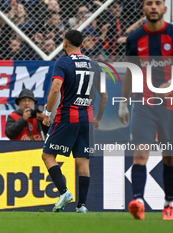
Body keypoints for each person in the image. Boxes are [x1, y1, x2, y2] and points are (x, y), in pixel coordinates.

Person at [118, 0, 173, 220]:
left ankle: (169, 204)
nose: (153, 7)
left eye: (158, 3)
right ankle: (138, 201)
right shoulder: (134, 38)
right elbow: (131, 71)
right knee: (140, 154)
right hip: (143, 102)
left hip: (170, 104)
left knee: (170, 157)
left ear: (165, 9)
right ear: (144, 10)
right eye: (149, 3)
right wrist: (123, 102)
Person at [42, 30, 108, 213]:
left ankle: (64, 192)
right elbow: (104, 97)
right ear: (81, 44)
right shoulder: (95, 65)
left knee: (47, 155)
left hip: (67, 116)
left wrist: (47, 112)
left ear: (65, 43)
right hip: (87, 118)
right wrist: (99, 118)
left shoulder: (63, 62)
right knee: (83, 161)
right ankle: (82, 206)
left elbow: (55, 89)